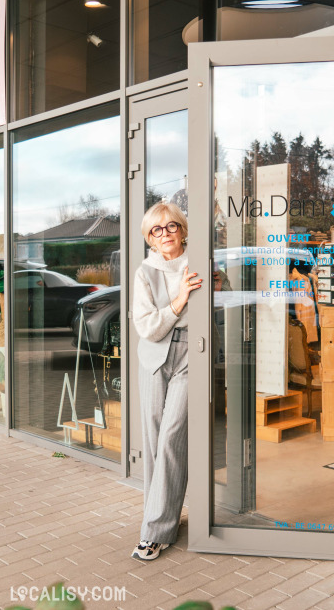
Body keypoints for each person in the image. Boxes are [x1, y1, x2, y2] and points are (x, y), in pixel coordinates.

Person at [131, 202, 202, 560]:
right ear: (150, 237)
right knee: (155, 439)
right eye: (156, 230)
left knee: (172, 435)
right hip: (156, 357)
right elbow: (145, 326)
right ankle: (161, 520)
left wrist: (218, 285)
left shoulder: (199, 261)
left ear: (182, 229)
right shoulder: (146, 270)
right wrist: (178, 302)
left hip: (193, 355)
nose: (165, 235)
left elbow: (221, 303)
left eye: (171, 226)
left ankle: (153, 531)